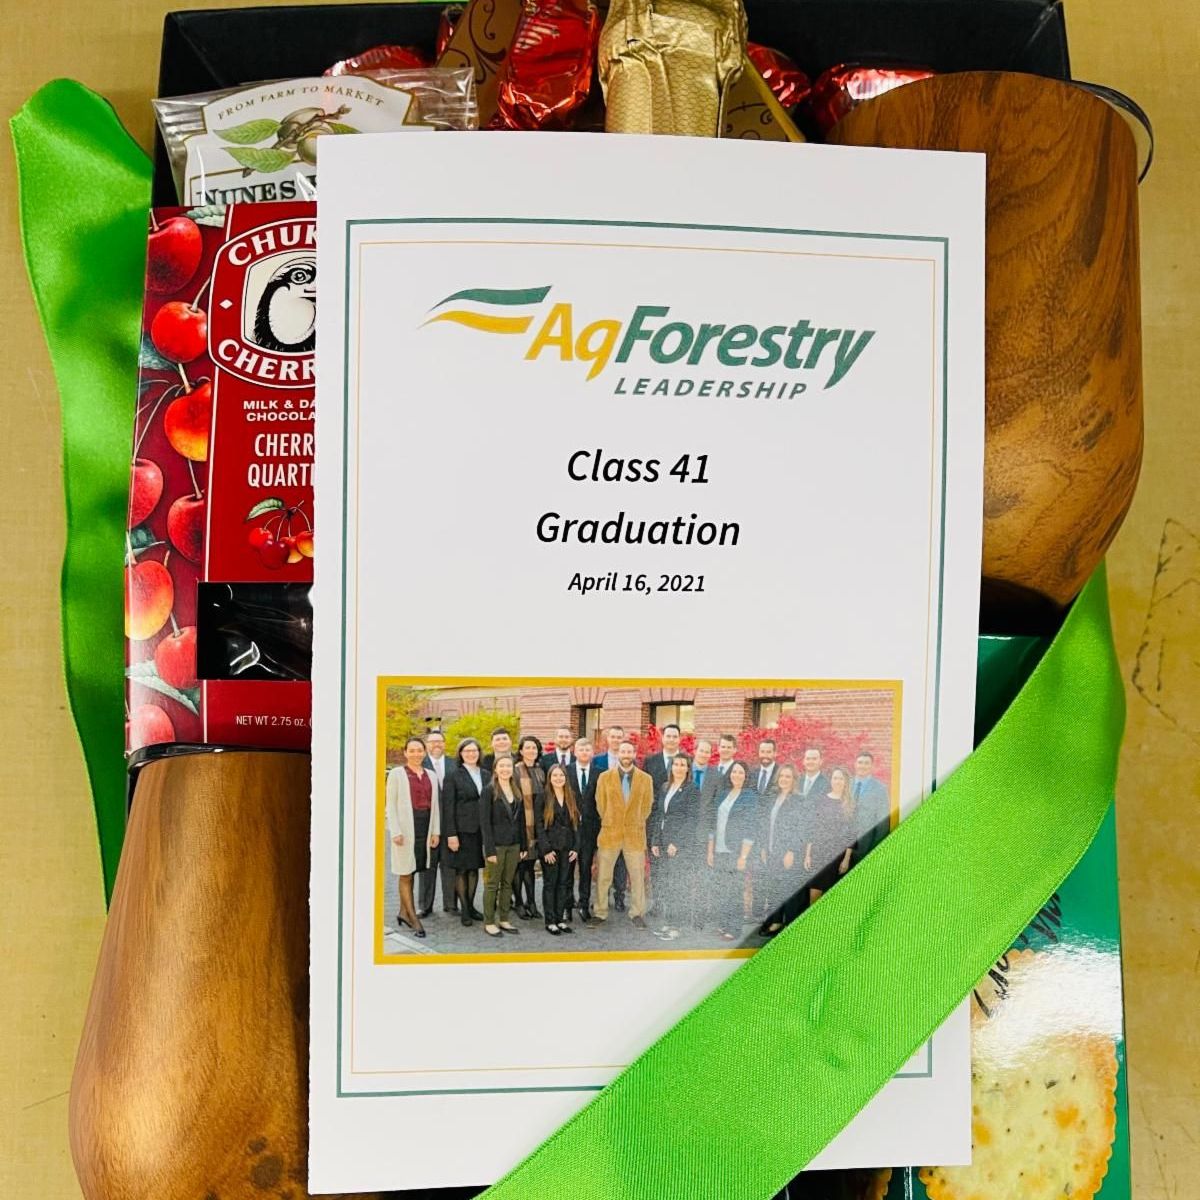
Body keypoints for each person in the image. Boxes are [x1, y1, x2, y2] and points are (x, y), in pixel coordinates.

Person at [593, 740, 654, 927]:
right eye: (623, 751)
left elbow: (647, 806)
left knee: (637, 877)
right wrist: (611, 820)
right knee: (603, 877)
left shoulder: (645, 779)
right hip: (610, 833)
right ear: (618, 754)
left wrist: (635, 821)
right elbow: (600, 804)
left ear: (634, 754)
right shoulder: (605, 777)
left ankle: (637, 913)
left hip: (634, 834)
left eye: (629, 752)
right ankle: (600, 912)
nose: (626, 755)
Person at [385, 736, 441, 939]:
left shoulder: (431, 775)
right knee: (405, 873)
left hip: (424, 828)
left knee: (415, 868)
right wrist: (395, 831)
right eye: (412, 750)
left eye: (419, 750)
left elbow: (435, 806)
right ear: (405, 753)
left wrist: (435, 831)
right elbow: (390, 805)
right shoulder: (397, 774)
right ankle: (413, 918)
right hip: (405, 830)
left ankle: (403, 912)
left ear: (425, 752)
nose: (416, 754)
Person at [705, 760, 757, 940]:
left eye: (741, 772)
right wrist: (710, 851)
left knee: (734, 891)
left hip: (736, 851)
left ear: (746, 776)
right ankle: (723, 924)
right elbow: (712, 824)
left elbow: (750, 827)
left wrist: (743, 856)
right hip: (719, 850)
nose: (737, 775)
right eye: (734, 772)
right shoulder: (722, 794)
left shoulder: (749, 797)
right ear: (730, 774)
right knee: (720, 889)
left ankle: (734, 929)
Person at [649, 753, 699, 939]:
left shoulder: (692, 789)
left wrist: (676, 843)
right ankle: (669, 923)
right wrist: (655, 840)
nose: (678, 767)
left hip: (679, 846)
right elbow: (659, 814)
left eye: (682, 764)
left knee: (678, 886)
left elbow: (692, 820)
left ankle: (677, 927)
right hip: (662, 842)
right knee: (668, 885)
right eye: (676, 764)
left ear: (688, 769)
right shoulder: (665, 787)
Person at [440, 737, 488, 926]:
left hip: (480, 831)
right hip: (461, 830)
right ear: (460, 754)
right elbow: (448, 807)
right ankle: (465, 910)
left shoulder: (486, 774)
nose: (471, 754)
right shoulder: (453, 775)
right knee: (462, 870)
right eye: (467, 751)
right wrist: (451, 834)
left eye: (474, 751)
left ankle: (471, 906)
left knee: (474, 869)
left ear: (479, 753)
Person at [479, 755, 526, 936]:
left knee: (508, 883)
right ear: (495, 769)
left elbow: (521, 821)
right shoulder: (488, 791)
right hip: (496, 846)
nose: (505, 769)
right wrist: (489, 849)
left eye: (509, 766)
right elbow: (485, 823)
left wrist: (523, 846)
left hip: (514, 845)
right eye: (502, 766)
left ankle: (504, 919)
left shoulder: (516, 790)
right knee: (492, 884)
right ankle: (489, 922)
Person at [758, 764, 808, 935]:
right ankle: (776, 921)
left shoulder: (799, 800)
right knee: (773, 886)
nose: (784, 779)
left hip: (788, 852)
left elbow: (800, 828)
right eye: (782, 776)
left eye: (788, 776)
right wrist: (763, 847)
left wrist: (791, 851)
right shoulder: (772, 797)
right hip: (771, 849)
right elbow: (765, 825)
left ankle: (791, 927)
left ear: (794, 780)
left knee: (789, 888)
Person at [536, 763, 580, 934]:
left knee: (563, 884)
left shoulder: (572, 796)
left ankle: (560, 919)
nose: (558, 778)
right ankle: (550, 921)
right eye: (554, 775)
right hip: (550, 849)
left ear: (565, 778)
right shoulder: (543, 796)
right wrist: (546, 849)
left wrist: (576, 847)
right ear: (549, 778)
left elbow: (576, 824)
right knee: (550, 883)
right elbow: (539, 825)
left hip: (567, 848)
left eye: (561, 775)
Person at [804, 766, 856, 904]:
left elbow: (851, 834)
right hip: (818, 852)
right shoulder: (820, 800)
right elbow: (812, 829)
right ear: (831, 780)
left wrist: (846, 859)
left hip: (837, 855)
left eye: (840, 778)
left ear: (845, 781)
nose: (837, 781)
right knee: (815, 893)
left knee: (832, 897)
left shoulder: (850, 804)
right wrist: (808, 855)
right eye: (835, 778)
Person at [592, 725, 630, 910]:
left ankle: (620, 897)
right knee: (605, 860)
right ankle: (603, 896)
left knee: (621, 862)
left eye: (619, 737)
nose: (615, 740)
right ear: (607, 739)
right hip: (604, 820)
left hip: (624, 822)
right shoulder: (597, 761)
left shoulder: (631, 763)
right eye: (613, 736)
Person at [420, 729, 457, 915]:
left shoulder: (454, 764)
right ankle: (425, 906)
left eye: (439, 741)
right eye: (432, 741)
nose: (436, 744)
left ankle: (451, 904)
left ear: (444, 744)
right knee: (428, 867)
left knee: (450, 867)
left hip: (451, 824)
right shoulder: (421, 764)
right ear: (427, 745)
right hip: (428, 826)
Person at [567, 736, 601, 924]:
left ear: (592, 753)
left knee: (586, 868)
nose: (584, 753)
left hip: (589, 829)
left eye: (588, 750)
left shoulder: (599, 773)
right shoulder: (565, 771)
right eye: (581, 749)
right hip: (569, 829)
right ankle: (567, 905)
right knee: (568, 869)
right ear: (575, 752)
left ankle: (583, 904)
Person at [512, 736, 546, 919]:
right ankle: (518, 903)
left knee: (530, 865)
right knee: (519, 866)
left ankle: (531, 902)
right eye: (528, 747)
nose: (531, 750)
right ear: (521, 751)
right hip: (520, 823)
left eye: (534, 747)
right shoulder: (515, 771)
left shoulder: (540, 771)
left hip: (536, 825)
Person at [851, 751, 892, 863]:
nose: (862, 766)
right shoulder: (846, 784)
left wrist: (875, 850)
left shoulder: (880, 789)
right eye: (860, 762)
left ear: (872, 766)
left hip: (866, 844)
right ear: (855, 764)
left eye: (866, 763)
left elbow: (883, 823)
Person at [645, 723, 689, 793]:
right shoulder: (650, 762)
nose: (671, 740)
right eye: (668, 736)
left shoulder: (688, 761)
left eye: (675, 737)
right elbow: (645, 788)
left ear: (679, 739)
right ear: (662, 738)